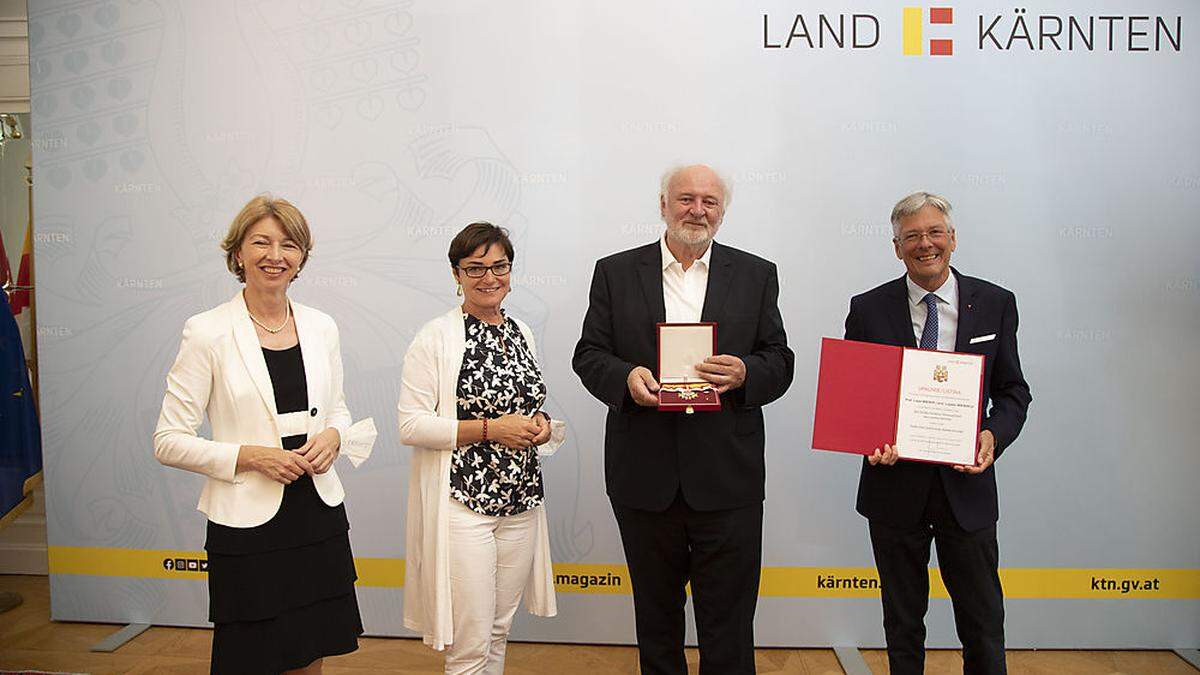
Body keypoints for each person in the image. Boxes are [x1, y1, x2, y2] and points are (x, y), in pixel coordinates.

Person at [572, 164, 794, 674]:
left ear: (723, 211)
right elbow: (589, 354)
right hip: (644, 476)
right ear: (664, 205)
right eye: (686, 199)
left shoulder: (757, 273)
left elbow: (780, 359)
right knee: (655, 619)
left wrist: (746, 372)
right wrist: (626, 378)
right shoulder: (614, 271)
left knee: (731, 622)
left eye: (710, 201)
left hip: (728, 478)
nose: (698, 210)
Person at [154, 195, 363, 674]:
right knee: (250, 656)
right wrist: (249, 456)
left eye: (288, 245)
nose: (275, 255)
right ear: (238, 253)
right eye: (261, 242)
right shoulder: (206, 332)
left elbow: (340, 411)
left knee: (312, 648)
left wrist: (334, 435)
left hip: (316, 513)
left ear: (302, 257)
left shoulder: (321, 326)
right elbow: (168, 439)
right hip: (247, 522)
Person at [844, 191, 1032, 675]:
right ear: (896, 247)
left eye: (934, 233)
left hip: (966, 486)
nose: (924, 244)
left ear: (952, 239)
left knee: (983, 619)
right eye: (911, 237)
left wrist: (993, 435)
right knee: (902, 621)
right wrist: (870, 440)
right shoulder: (867, 309)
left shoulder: (995, 303)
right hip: (895, 488)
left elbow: (1013, 391)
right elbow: (857, 399)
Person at [398, 222, 564, 674]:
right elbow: (411, 424)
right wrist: (490, 430)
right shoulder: (436, 337)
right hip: (463, 503)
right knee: (469, 643)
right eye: (475, 269)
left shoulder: (522, 332)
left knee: (497, 630)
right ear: (456, 274)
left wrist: (542, 427)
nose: (489, 278)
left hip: (521, 501)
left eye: (499, 266)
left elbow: (526, 408)